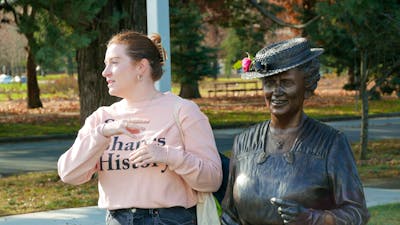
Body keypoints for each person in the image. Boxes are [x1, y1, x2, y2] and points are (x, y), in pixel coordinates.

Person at [58, 30, 222, 225]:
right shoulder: (102, 118)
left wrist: (170, 156)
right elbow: (69, 174)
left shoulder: (183, 111)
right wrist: (102, 134)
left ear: (141, 67)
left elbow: (212, 180)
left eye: (115, 62)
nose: (105, 72)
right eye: (105, 64)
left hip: (169, 220)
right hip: (116, 219)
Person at [221, 37, 370, 225]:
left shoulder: (331, 143)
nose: (276, 91)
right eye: (269, 82)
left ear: (307, 85)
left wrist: (312, 218)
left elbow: (357, 214)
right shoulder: (243, 143)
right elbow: (229, 214)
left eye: (286, 82)